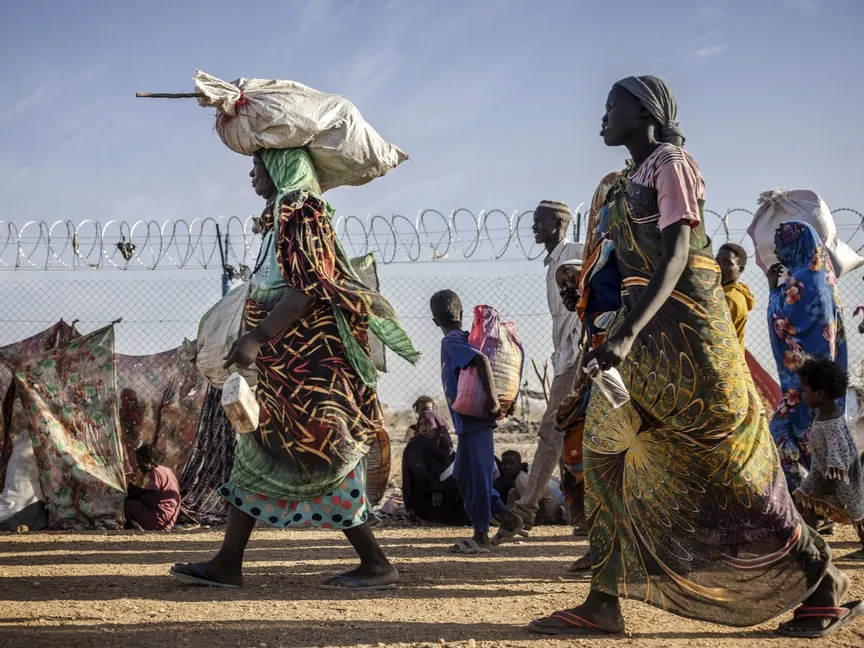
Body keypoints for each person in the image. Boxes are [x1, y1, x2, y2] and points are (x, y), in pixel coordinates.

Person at [530, 75, 861, 639]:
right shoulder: (617, 185)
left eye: (614, 107)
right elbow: (619, 265)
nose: (603, 118)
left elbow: (680, 252)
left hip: (690, 345)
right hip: (639, 347)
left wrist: (627, 332)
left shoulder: (671, 164)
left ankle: (823, 583)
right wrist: (589, 296)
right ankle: (603, 601)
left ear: (647, 112)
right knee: (609, 459)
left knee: (730, 472)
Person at [170, 148, 419, 591]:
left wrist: (256, 336)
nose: (251, 175)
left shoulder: (302, 211)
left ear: (282, 168)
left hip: (311, 370)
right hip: (283, 370)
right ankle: (228, 563)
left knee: (324, 456)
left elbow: (309, 288)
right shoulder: (280, 217)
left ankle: (377, 564)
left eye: (258, 166)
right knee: (257, 452)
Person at [505, 201, 584, 537]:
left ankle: (525, 511)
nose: (534, 227)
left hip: (579, 352)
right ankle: (581, 519)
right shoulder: (551, 262)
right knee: (571, 436)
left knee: (552, 431)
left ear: (559, 223)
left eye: (540, 221)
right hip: (566, 355)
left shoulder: (577, 252)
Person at [431, 289, 524, 554]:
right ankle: (508, 518)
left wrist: (494, 400)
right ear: (460, 314)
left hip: (473, 422)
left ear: (434, 320)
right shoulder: (463, 337)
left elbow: (481, 359)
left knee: (478, 479)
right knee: (464, 474)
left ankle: (480, 535)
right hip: (470, 423)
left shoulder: (451, 340)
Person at [768, 221, 847, 494]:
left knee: (785, 433)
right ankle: (815, 503)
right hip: (822, 382)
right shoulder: (824, 277)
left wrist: (772, 289)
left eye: (780, 244)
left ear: (794, 243)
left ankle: (812, 502)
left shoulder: (800, 280)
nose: (777, 251)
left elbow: (782, 320)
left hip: (804, 384)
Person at [794, 358, 864, 559]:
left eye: (805, 391)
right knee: (801, 498)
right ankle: (806, 547)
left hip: (841, 482)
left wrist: (829, 486)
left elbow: (838, 458)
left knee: (857, 515)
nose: (802, 394)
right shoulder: (824, 413)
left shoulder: (831, 424)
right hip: (821, 473)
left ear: (820, 393)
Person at [401, 408, 468, 526]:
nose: (423, 429)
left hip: (446, 494)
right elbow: (419, 471)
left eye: (428, 424)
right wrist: (435, 489)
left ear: (437, 425)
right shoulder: (416, 444)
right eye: (420, 425)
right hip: (426, 495)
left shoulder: (445, 445)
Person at [495, 450, 564, 525]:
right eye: (504, 464)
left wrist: (540, 520)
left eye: (511, 464)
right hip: (542, 510)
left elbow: (536, 501)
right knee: (513, 492)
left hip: (548, 514)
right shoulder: (514, 479)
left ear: (520, 466)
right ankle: (509, 516)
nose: (507, 467)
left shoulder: (522, 481)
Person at [124, 445, 181, 531]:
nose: (139, 466)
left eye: (140, 462)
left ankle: (136, 528)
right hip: (169, 519)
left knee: (128, 502)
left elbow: (152, 501)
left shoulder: (156, 472)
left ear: (149, 460)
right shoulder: (167, 470)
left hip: (160, 519)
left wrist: (137, 492)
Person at [716, 242, 755, 347]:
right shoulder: (730, 292)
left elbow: (716, 338)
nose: (719, 267)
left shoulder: (729, 298)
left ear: (740, 270)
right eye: (717, 261)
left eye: (727, 263)